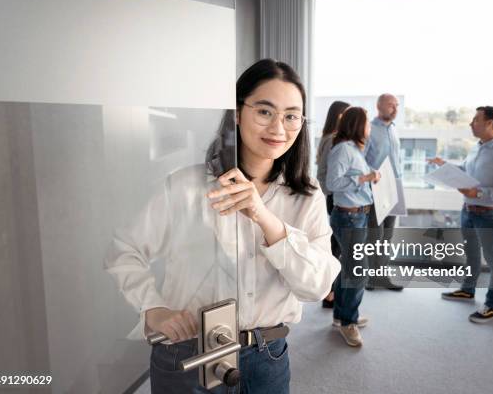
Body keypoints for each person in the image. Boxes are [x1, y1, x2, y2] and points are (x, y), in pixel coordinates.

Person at [105, 59, 341, 393]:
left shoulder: (306, 196)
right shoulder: (185, 187)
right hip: (188, 353)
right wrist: (153, 309)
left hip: (267, 356)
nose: (278, 128)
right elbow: (123, 251)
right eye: (264, 111)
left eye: (291, 116)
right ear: (237, 113)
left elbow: (316, 287)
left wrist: (263, 216)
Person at [429, 106, 493, 323]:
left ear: (489, 123)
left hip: (489, 214)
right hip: (468, 210)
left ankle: (492, 305)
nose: (471, 123)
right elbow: (469, 170)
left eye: (476, 119)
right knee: (472, 255)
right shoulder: (476, 148)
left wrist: (479, 192)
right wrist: (447, 166)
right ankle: (467, 290)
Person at [326, 106, 380, 347]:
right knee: (358, 270)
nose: (370, 128)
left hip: (357, 216)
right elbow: (333, 183)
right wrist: (364, 178)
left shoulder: (354, 150)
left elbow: (356, 180)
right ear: (358, 125)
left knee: (348, 267)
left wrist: (370, 177)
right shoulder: (342, 150)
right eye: (367, 123)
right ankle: (349, 321)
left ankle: (341, 316)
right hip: (348, 217)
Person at [364, 93, 404, 291]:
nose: (395, 109)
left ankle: (382, 276)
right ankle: (371, 276)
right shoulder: (369, 129)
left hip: (395, 187)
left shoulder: (394, 130)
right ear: (379, 107)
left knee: (387, 236)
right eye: (391, 105)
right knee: (375, 236)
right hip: (377, 188)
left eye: (397, 105)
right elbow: (362, 159)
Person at [316, 100, 350, 308]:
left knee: (335, 246)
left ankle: (328, 292)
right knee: (335, 247)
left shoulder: (331, 138)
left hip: (330, 194)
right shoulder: (332, 140)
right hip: (330, 195)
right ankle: (328, 292)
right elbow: (326, 174)